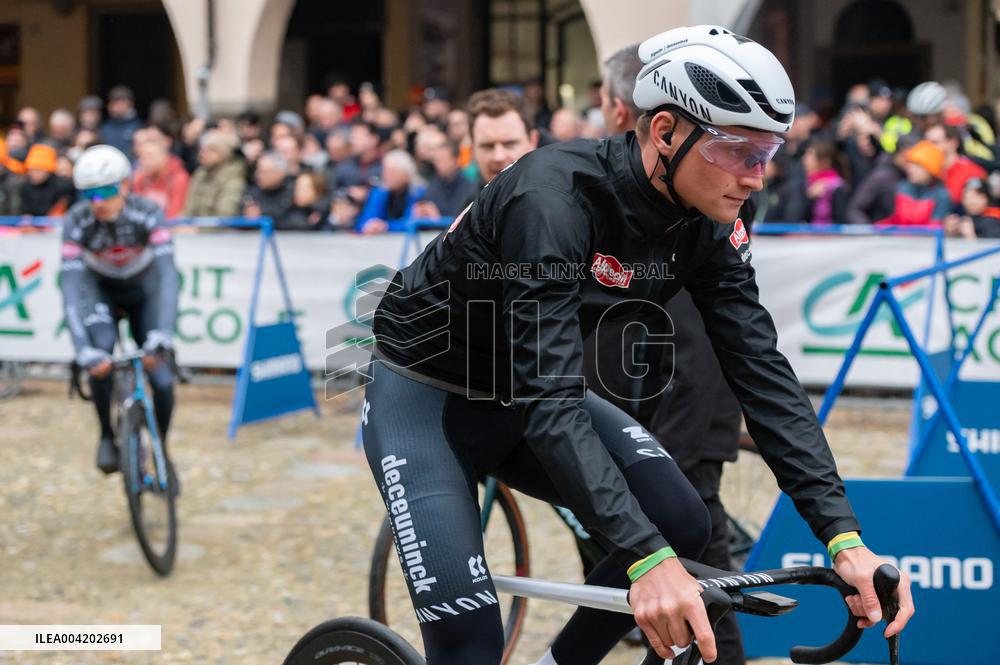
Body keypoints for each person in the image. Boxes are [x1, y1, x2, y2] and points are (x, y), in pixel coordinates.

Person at [360, 25, 913, 665]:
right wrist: (645, 561)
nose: (757, 177)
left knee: (682, 523)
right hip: (426, 395)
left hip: (517, 390)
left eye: (771, 152)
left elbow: (759, 369)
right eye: (739, 151)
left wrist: (843, 537)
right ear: (665, 133)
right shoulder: (552, 199)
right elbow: (552, 396)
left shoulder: (714, 213)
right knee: (470, 641)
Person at [60, 145, 178, 475]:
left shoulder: (148, 213)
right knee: (99, 355)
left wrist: (163, 332)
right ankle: (106, 435)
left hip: (144, 291)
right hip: (100, 291)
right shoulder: (77, 221)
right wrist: (81, 349)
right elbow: (70, 286)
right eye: (89, 194)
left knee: (163, 380)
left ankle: (161, 449)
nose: (98, 202)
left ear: (125, 185)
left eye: (106, 191)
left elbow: (168, 274)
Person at [460, 88, 540, 208]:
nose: (498, 156)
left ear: (533, 141)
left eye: (509, 144)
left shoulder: (559, 205)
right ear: (472, 147)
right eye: (487, 146)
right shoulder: (468, 209)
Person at [879, 139, 952, 226]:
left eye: (917, 165)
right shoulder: (902, 187)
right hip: (897, 238)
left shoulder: (942, 195)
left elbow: (934, 228)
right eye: (910, 164)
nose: (910, 169)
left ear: (929, 170)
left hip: (924, 239)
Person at [355, 149, 425, 233]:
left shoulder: (417, 193)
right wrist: (371, 226)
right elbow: (363, 223)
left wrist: (386, 226)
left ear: (406, 175)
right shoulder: (379, 192)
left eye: (391, 172)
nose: (385, 175)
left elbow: (413, 223)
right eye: (385, 170)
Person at [184, 130, 246, 217]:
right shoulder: (199, 174)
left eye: (210, 150)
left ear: (223, 153)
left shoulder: (233, 178)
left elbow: (224, 216)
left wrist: (198, 230)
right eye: (202, 149)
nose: (202, 154)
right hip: (193, 227)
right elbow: (188, 208)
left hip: (215, 229)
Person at [924, 123, 987, 204]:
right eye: (926, 143)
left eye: (935, 142)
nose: (928, 148)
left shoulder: (971, 172)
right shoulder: (926, 172)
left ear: (953, 143)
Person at [415, 142, 478, 218]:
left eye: (443, 159)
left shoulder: (470, 188)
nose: (438, 163)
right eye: (436, 160)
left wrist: (437, 217)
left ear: (456, 161)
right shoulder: (431, 187)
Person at [132, 138, 190, 219]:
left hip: (169, 227)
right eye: (141, 157)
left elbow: (176, 213)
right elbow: (136, 209)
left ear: (164, 156)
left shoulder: (178, 178)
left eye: (149, 156)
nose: (143, 162)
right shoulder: (140, 177)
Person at [18, 143, 74, 216]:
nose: (32, 174)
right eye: (30, 170)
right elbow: (25, 212)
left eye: (38, 170)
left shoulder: (64, 186)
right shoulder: (26, 187)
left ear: (48, 170)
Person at [802, 139, 848, 224]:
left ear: (825, 162)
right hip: (809, 235)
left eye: (810, 158)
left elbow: (841, 220)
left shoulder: (837, 187)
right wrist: (810, 198)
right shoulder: (806, 184)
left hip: (829, 236)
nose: (805, 161)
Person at [243, 151, 295, 226]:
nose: (258, 175)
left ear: (280, 173)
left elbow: (295, 218)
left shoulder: (293, 190)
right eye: (258, 171)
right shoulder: (252, 190)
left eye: (264, 172)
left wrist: (261, 214)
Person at [100, 85, 142, 158]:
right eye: (112, 102)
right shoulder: (104, 127)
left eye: (120, 102)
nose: (115, 107)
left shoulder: (139, 127)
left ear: (130, 103)